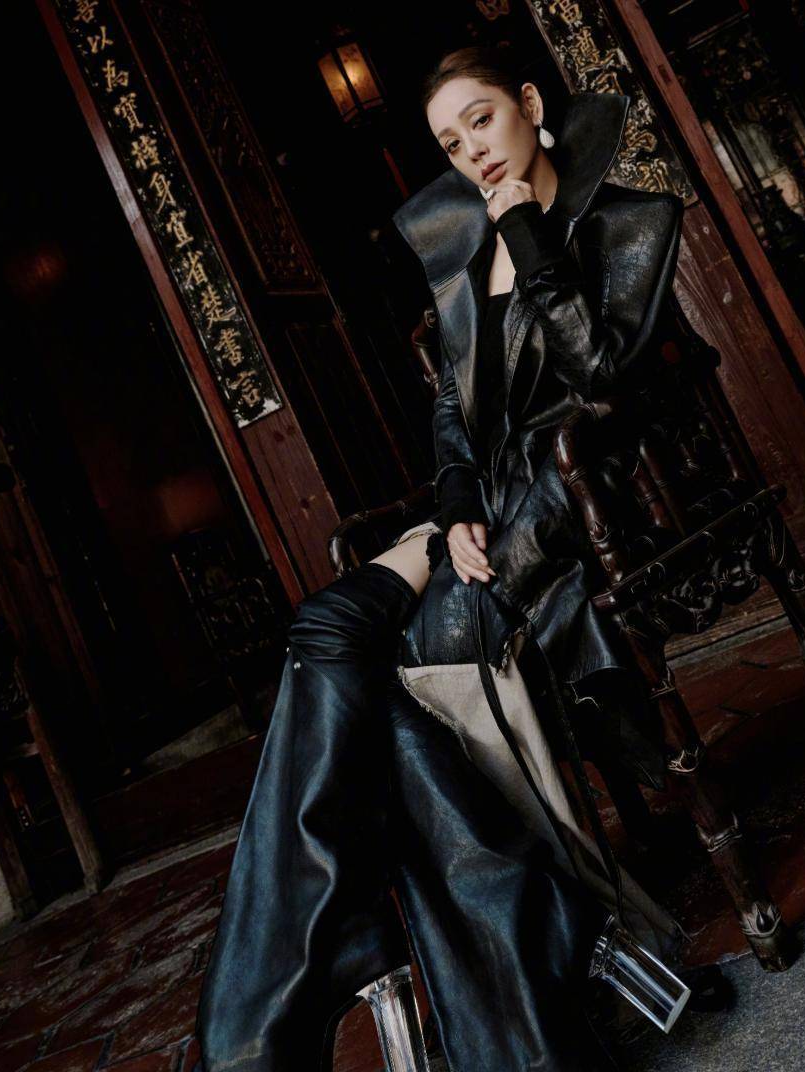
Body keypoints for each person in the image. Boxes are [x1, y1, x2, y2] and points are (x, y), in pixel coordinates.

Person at [193, 45, 693, 1072]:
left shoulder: (632, 223)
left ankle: (271, 1017)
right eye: (450, 143)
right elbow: (454, 416)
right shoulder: (466, 255)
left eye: (481, 121)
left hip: (570, 510)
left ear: (529, 103)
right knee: (348, 662)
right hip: (484, 520)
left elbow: (600, 375)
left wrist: (526, 231)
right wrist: (454, 510)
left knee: (339, 649)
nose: (472, 151)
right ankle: (526, 965)